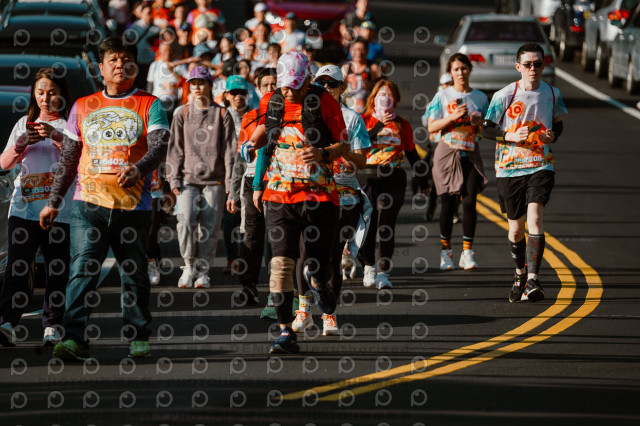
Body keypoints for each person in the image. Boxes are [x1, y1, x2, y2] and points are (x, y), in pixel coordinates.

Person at [39, 37, 171, 360]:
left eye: (126, 59)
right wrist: (53, 201)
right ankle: (74, 338)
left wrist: (139, 169)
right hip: (88, 204)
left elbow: (159, 147)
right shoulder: (83, 106)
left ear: (135, 66)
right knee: (82, 270)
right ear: (101, 68)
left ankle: (138, 336)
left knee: (133, 273)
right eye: (113, 59)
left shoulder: (151, 104)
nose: (119, 65)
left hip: (133, 206)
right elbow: (69, 157)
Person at [240, 51, 349, 354]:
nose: (290, 92)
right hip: (280, 195)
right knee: (281, 264)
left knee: (317, 266)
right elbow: (265, 131)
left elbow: (344, 145)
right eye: (285, 86)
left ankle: (319, 284)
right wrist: (250, 144)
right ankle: (286, 331)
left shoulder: (324, 102)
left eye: (296, 87)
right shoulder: (272, 100)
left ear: (308, 81)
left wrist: (323, 153)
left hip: (320, 197)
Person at [481, 43, 567, 302]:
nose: (533, 69)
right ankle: (520, 274)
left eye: (538, 64)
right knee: (516, 230)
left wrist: (552, 137)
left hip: (541, 164)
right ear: (518, 67)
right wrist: (509, 135)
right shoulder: (505, 95)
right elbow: (486, 129)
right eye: (528, 64)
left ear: (543, 65)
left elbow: (558, 124)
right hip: (509, 169)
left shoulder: (552, 93)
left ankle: (533, 279)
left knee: (536, 219)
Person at [292, 65, 371, 336]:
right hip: (311, 191)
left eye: (332, 84)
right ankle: (303, 311)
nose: (326, 88)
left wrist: (340, 152)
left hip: (344, 193)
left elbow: (361, 161)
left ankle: (329, 314)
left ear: (342, 88)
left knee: (333, 256)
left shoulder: (352, 118)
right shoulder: (302, 112)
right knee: (305, 252)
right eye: (321, 83)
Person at [0, 68, 74, 347]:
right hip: (24, 209)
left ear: (62, 94)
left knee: (56, 270)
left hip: (59, 210)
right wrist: (21, 144)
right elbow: (4, 163)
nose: (45, 98)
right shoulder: (24, 123)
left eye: (52, 92)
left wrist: (56, 136)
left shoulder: (70, 124)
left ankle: (52, 324)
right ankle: (6, 323)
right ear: (33, 94)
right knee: (17, 268)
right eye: (40, 92)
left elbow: (79, 158)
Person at [166, 65, 236, 288]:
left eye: (201, 83)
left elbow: (230, 152)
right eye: (193, 83)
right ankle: (188, 266)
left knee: (210, 228)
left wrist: (230, 185)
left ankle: (203, 271)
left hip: (215, 180)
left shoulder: (222, 113)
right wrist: (173, 178)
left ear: (210, 85)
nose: (197, 87)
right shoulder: (181, 113)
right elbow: (174, 148)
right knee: (185, 222)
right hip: (187, 179)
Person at [358, 79, 428, 289]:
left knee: (386, 225)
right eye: (381, 94)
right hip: (368, 177)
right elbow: (358, 143)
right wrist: (379, 125)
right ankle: (369, 266)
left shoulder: (402, 125)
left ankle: (383, 272)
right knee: (368, 224)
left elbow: (412, 154)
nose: (385, 99)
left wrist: (423, 180)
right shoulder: (363, 120)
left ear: (395, 100)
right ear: (373, 99)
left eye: (389, 95)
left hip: (394, 178)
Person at [426, 53, 489, 271]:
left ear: (470, 70)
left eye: (464, 68)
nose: (460, 73)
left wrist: (479, 121)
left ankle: (467, 253)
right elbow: (431, 126)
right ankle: (446, 252)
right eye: (456, 69)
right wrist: (452, 118)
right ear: (450, 72)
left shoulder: (480, 97)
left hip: (471, 151)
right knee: (449, 203)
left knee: (470, 201)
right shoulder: (443, 95)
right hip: (447, 152)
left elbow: (488, 128)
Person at [228, 68, 277, 305]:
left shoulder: (289, 115)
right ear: (257, 88)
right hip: (251, 180)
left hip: (278, 180)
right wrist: (233, 191)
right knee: (252, 234)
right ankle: (249, 286)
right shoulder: (249, 117)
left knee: (277, 236)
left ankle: (278, 289)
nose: (269, 88)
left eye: (274, 84)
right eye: (265, 84)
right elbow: (241, 157)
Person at [341, 38, 380, 114]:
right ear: (351, 50)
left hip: (367, 111)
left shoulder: (373, 68)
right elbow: (338, 87)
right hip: (348, 110)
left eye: (362, 49)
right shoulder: (346, 67)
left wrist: (371, 86)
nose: (359, 53)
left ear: (367, 51)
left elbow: (382, 88)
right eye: (356, 49)